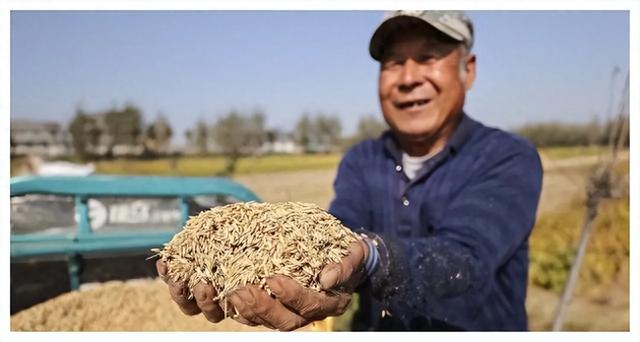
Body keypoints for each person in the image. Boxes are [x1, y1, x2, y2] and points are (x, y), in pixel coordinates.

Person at [156, 10, 543, 331]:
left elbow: (464, 261)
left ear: (467, 70)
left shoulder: (507, 157)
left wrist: (373, 257)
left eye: (428, 57)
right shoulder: (362, 159)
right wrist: (307, 271)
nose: (408, 78)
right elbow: (337, 236)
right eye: (393, 62)